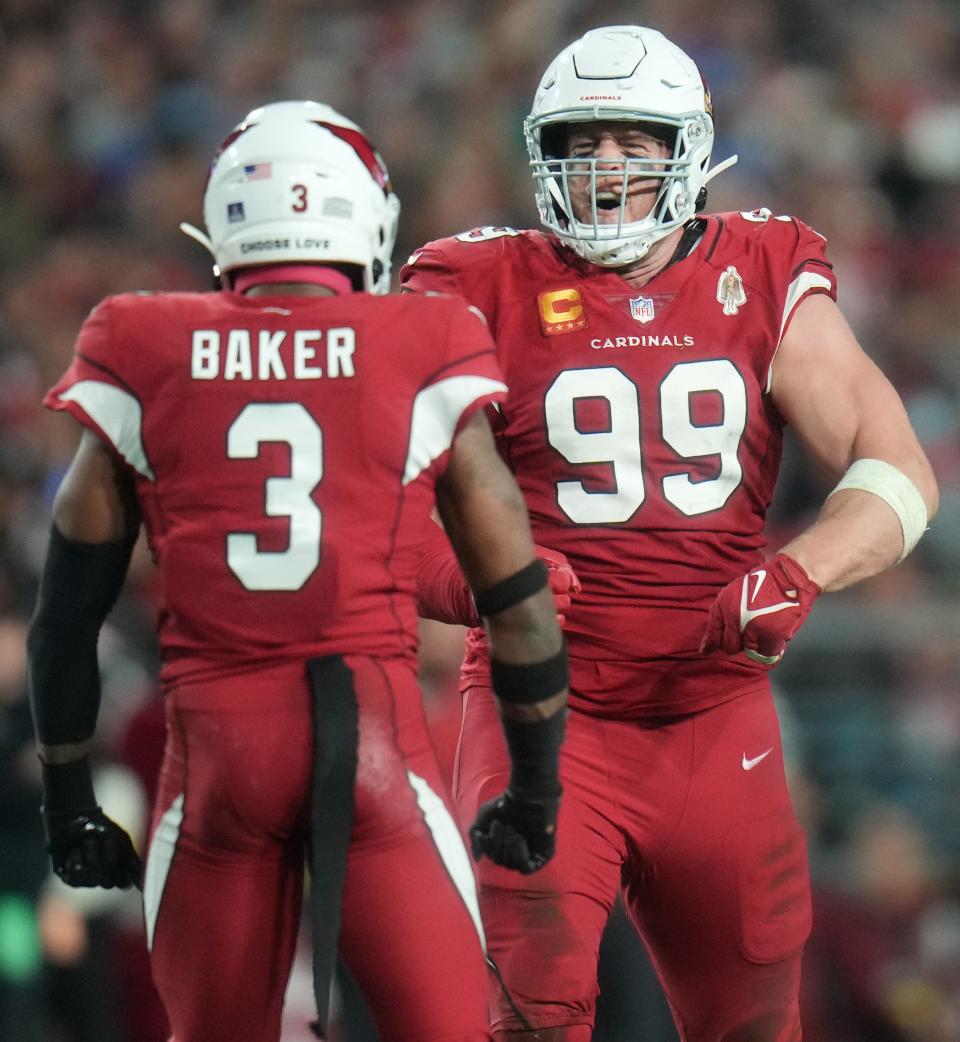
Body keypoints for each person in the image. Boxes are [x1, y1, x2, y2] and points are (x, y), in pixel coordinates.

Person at [401, 25, 939, 1042]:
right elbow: (377, 499)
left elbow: (896, 468)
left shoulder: (765, 268)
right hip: (541, 718)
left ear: (686, 146)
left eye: (632, 136)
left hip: (714, 715)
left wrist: (800, 570)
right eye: (582, 136)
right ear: (541, 149)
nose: (605, 161)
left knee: (756, 1022)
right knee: (533, 1013)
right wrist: (474, 582)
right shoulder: (472, 282)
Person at [26, 100, 570, 1042]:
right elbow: (516, 602)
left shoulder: (139, 342)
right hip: (373, 741)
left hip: (216, 760)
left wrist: (71, 799)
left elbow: (66, 617)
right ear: (364, 219)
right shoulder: (424, 337)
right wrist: (534, 792)